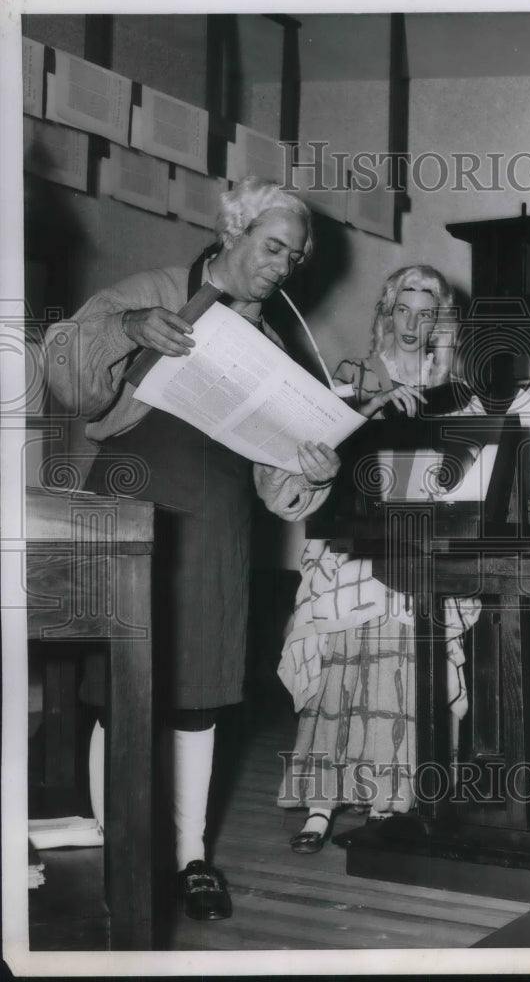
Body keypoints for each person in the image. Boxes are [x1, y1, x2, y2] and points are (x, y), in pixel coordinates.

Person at [44, 178, 341, 921]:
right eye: (272, 247)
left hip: (215, 525)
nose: (282, 266)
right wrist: (133, 328)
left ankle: (190, 857)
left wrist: (309, 472)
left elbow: (278, 490)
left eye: (294, 257)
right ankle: (117, 846)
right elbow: (62, 374)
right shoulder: (147, 290)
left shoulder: (274, 346)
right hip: (129, 503)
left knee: (199, 697)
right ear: (231, 231)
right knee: (119, 692)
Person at [277, 265, 482, 853]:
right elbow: (318, 446)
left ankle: (390, 802)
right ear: (386, 313)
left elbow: (468, 466)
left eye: (427, 313)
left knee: (402, 664)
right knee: (341, 663)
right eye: (403, 309)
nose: (413, 323)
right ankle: (320, 805)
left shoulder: (457, 388)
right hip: (352, 540)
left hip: (420, 544)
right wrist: (374, 404)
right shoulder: (352, 374)